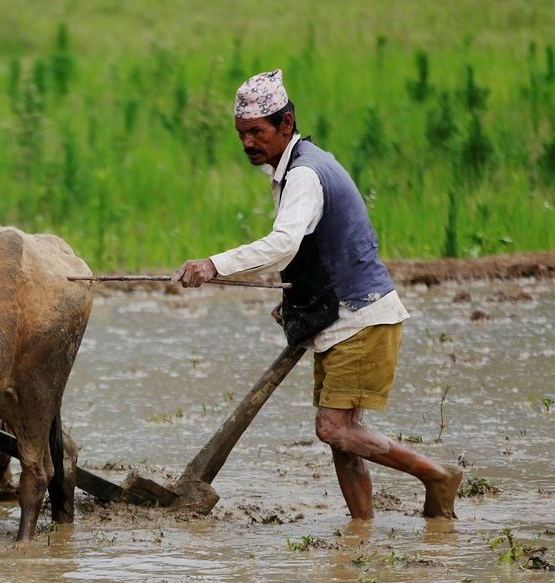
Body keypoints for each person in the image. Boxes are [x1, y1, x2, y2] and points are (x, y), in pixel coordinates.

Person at [178, 69, 463, 520]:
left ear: (285, 124)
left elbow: (284, 244)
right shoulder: (299, 166)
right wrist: (298, 298)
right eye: (242, 134)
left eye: (257, 131)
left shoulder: (306, 174)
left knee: (334, 429)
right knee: (343, 436)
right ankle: (361, 528)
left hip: (361, 317)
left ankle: (436, 476)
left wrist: (215, 264)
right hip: (342, 318)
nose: (248, 142)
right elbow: (319, 247)